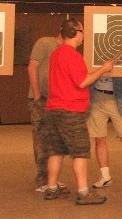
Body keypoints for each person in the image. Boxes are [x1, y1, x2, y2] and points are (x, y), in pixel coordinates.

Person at [42, 18, 116, 205]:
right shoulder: (73, 55)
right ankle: (83, 192)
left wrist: (96, 71)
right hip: (71, 110)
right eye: (82, 31)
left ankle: (51, 189)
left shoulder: (56, 54)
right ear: (75, 33)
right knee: (80, 152)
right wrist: (103, 69)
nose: (83, 34)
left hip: (53, 109)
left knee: (56, 151)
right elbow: (82, 82)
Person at [26, 29, 64, 191]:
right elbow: (32, 67)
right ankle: (43, 180)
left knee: (54, 141)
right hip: (42, 100)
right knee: (42, 140)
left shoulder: (67, 50)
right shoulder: (45, 42)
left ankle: (52, 179)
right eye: (80, 31)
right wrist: (37, 96)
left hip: (57, 100)